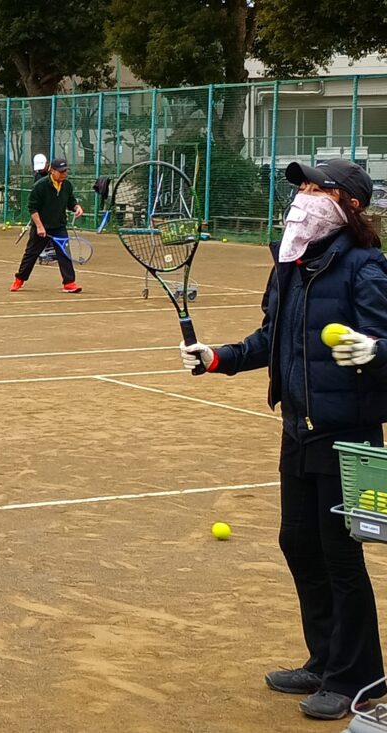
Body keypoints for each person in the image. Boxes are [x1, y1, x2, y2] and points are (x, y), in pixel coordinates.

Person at [180, 159, 387, 721]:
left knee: (340, 556)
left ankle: (358, 677)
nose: (303, 195)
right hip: (298, 429)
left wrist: (374, 351)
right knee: (299, 543)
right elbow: (272, 337)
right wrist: (220, 357)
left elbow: (384, 341)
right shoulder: (291, 265)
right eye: (302, 186)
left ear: (349, 205)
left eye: (318, 187)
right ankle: (325, 660)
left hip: (348, 435)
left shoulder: (365, 267)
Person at [12, 157, 84, 293]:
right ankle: (19, 279)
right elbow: (32, 208)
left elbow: (71, 202)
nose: (64, 174)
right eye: (61, 171)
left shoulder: (67, 185)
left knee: (64, 254)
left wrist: (77, 207)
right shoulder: (40, 186)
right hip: (41, 226)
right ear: (52, 171)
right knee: (31, 254)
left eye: (65, 171)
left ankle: (69, 283)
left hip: (59, 226)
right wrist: (39, 226)